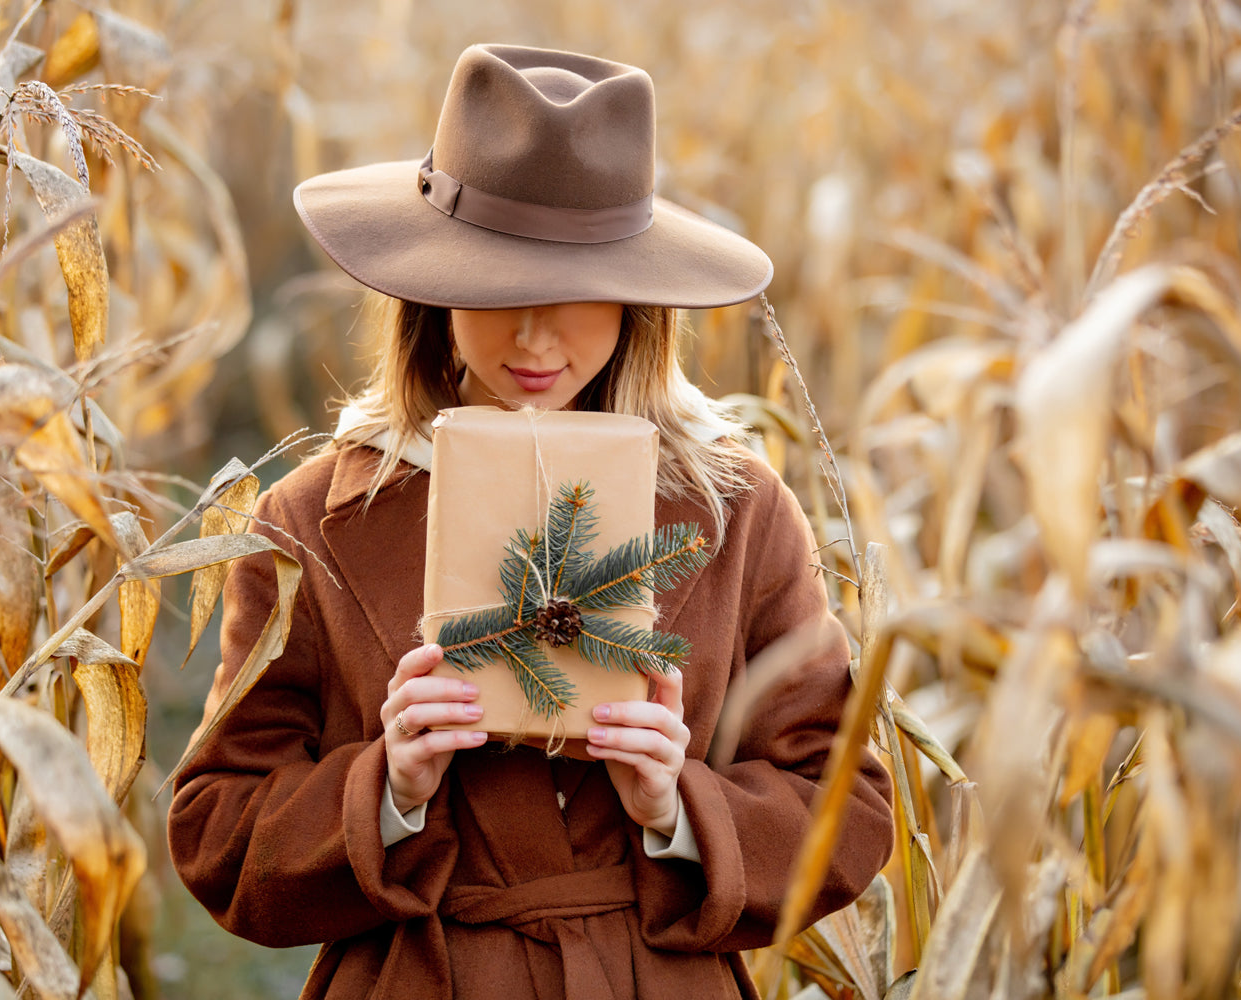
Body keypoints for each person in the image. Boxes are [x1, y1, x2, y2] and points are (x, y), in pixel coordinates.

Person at [168, 43, 893, 1000]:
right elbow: (218, 827)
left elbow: (845, 809)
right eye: (500, 286)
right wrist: (386, 790)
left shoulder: (737, 509)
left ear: (638, 294)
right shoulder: (313, 520)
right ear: (434, 283)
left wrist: (676, 804)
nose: (537, 337)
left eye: (579, 288)